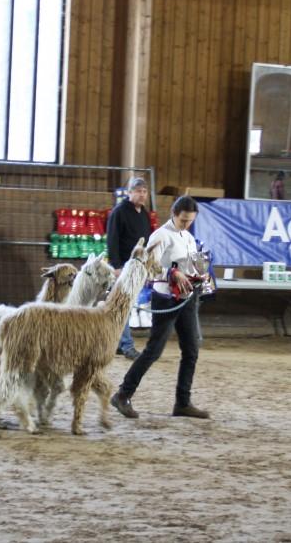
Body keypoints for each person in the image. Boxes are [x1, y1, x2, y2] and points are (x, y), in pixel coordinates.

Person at [110, 195, 210, 419]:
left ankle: (182, 403)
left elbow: (192, 265)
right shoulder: (161, 235)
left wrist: (199, 275)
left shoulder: (188, 237)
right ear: (174, 214)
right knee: (153, 351)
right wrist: (172, 272)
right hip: (166, 298)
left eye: (190, 221)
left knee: (191, 351)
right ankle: (122, 395)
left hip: (187, 299)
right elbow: (150, 267)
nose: (186, 224)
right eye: (183, 220)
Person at [107, 177, 152, 360]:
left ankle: (117, 343)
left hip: (138, 267)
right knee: (125, 307)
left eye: (144, 191)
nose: (142, 195)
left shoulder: (144, 214)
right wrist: (116, 266)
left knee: (125, 306)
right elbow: (112, 239)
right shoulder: (119, 212)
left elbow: (147, 241)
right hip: (123, 267)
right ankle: (127, 345)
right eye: (139, 191)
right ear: (130, 192)